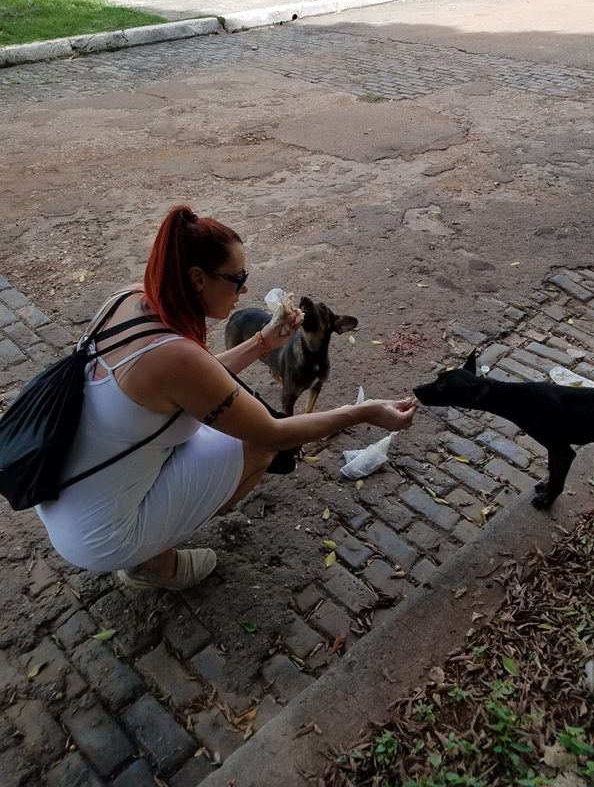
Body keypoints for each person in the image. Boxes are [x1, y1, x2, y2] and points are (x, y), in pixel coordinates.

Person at [36, 206, 417, 591]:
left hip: (64, 493)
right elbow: (271, 432)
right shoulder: (177, 358)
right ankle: (152, 561)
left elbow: (192, 379)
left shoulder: (129, 298)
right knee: (259, 447)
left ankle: (150, 533)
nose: (245, 290)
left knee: (222, 427)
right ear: (197, 279)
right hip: (99, 534)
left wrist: (263, 342)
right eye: (238, 279)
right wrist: (361, 412)